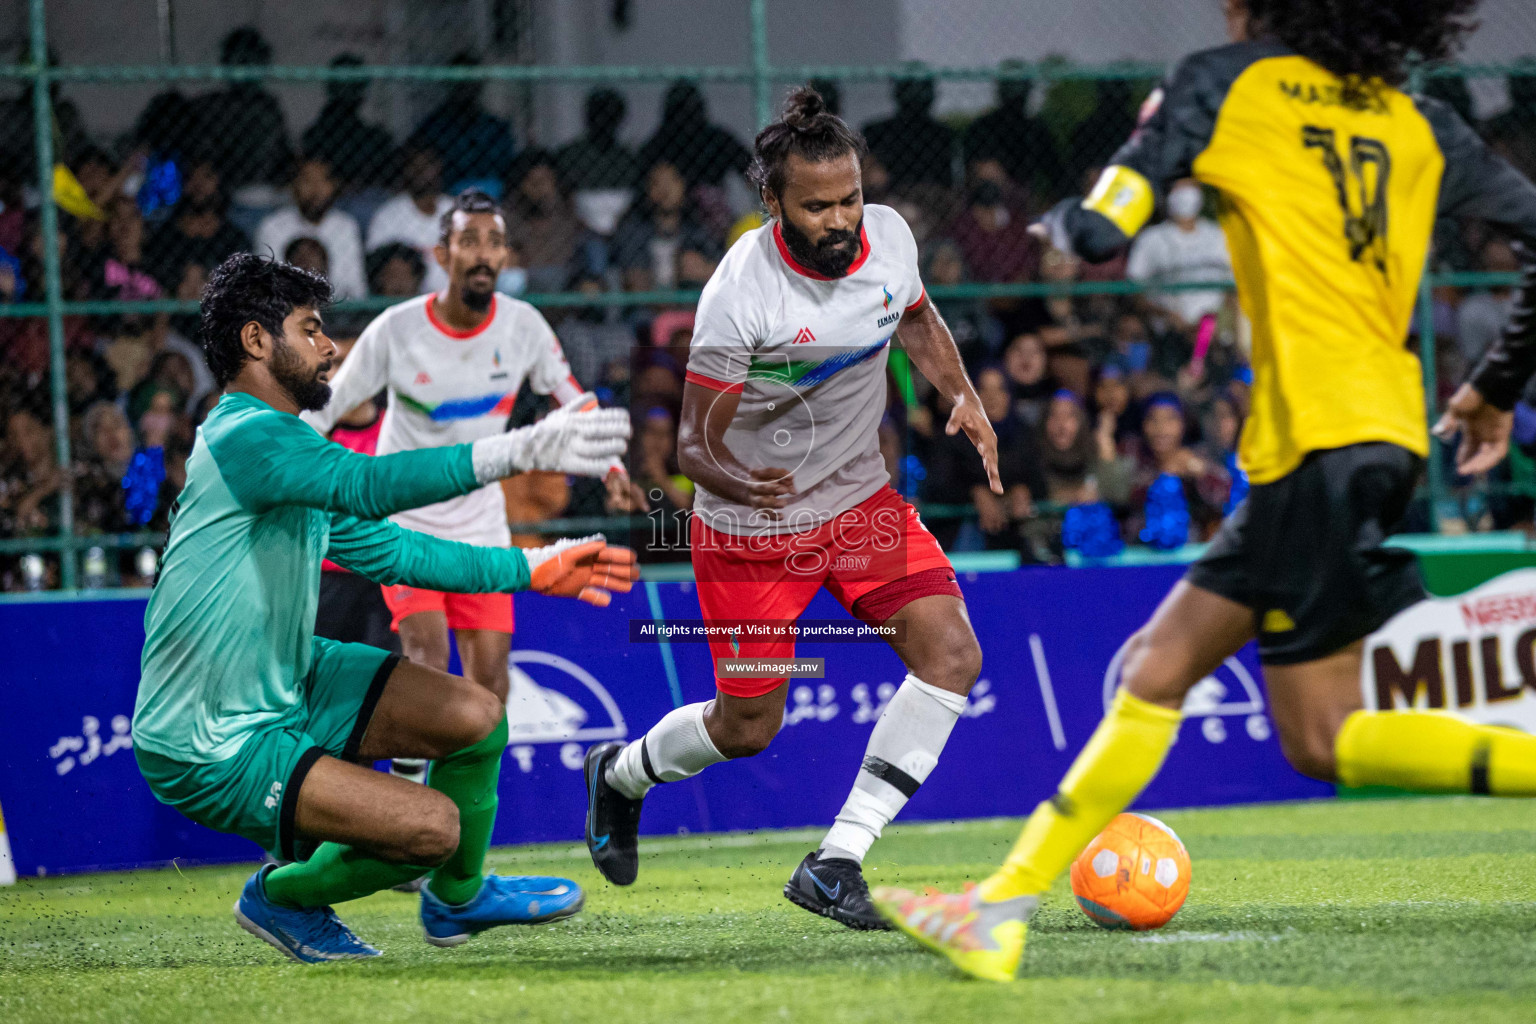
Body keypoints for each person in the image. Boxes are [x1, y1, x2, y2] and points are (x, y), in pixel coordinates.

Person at [873, 0, 1536, 982]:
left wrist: (1105, 178)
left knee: (1228, 695)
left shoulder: (1226, 82)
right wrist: (1490, 389)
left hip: (1314, 441)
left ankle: (998, 907)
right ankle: (996, 908)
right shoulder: (1417, 120)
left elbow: (1099, 227)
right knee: (1242, 701)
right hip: (1385, 438)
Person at [132, 252, 636, 963]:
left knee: (477, 718)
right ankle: (282, 898)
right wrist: (515, 450)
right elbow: (369, 484)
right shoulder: (244, 433)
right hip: (209, 731)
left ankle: (456, 900)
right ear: (255, 341)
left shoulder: (287, 449)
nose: (330, 346)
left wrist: (534, 566)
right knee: (431, 830)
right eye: (310, 329)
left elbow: (398, 553)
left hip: (289, 677)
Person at [583, 87, 1001, 931]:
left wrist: (963, 395)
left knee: (952, 654)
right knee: (746, 729)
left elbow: (915, 316)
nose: (841, 218)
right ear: (772, 205)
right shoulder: (741, 292)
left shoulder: (889, 235)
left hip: (859, 506)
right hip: (750, 531)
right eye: (818, 206)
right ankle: (619, 775)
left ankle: (836, 858)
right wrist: (740, 486)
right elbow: (691, 450)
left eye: (849, 197)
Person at [302, 190, 640, 789]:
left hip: (481, 527)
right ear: (443, 253)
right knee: (427, 663)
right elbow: (322, 414)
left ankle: (455, 833)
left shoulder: (524, 326)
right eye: (469, 241)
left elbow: (573, 400)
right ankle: (409, 810)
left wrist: (613, 469)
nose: (482, 253)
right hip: (405, 528)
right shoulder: (396, 331)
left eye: (493, 242)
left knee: (492, 689)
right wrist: (285, 473)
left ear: (506, 255)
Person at [189, 27, 291, 190]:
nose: (244, 69)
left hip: (262, 190)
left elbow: (281, 155)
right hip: (219, 188)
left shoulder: (268, 107)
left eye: (250, 62)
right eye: (238, 62)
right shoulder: (210, 106)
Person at [1125, 178, 1233, 332]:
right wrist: (1165, 314)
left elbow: (1232, 289)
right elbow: (1135, 289)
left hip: (1213, 331)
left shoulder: (1219, 236)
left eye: (1189, 186)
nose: (1185, 195)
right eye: (1178, 188)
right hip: (1167, 330)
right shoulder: (1151, 238)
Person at [255, 158, 368, 299]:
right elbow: (269, 287)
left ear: (334, 186)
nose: (316, 190)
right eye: (307, 181)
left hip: (339, 312)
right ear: (293, 186)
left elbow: (355, 289)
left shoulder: (345, 227)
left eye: (322, 181)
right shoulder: (272, 226)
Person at [406, 53, 516, 195]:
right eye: (460, 82)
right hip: (445, 196)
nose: (466, 88)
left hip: (492, 195)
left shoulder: (496, 128)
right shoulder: (434, 128)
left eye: (471, 81)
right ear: (450, 83)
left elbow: (507, 170)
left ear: (480, 84)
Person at [963, 61, 1066, 205]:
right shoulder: (983, 126)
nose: (1016, 93)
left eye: (1020, 86)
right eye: (1011, 86)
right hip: (990, 202)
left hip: (1026, 198)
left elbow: (1057, 173)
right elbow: (981, 170)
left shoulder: (1036, 129)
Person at [301, 54, 396, 191]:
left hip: (366, 198)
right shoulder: (316, 135)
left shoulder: (373, 137)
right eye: (342, 84)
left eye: (354, 84)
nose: (347, 90)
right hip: (327, 198)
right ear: (332, 86)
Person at [367, 144, 453, 294]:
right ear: (404, 170)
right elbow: (377, 270)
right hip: (405, 300)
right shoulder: (388, 216)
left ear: (438, 167)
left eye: (427, 165)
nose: (421, 171)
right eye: (414, 165)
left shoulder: (456, 211)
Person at [636, 81, 751, 191]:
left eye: (689, 112)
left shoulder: (717, 139)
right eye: (679, 112)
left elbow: (750, 169)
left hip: (712, 204)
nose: (684, 119)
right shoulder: (660, 142)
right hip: (674, 206)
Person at [862, 71, 955, 189]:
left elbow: (947, 180)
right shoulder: (876, 131)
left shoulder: (941, 133)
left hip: (931, 194)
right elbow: (871, 175)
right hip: (889, 196)